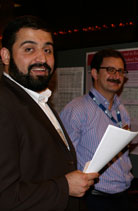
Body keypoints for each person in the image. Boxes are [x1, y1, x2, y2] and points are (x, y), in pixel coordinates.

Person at [0, 15, 99, 211]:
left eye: (48, 50)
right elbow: (5, 196)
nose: (42, 58)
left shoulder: (38, 99)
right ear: (5, 55)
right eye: (29, 49)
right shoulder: (4, 104)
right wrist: (65, 186)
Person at [60, 48, 133, 211]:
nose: (116, 76)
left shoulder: (122, 110)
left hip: (122, 194)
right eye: (110, 70)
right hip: (93, 198)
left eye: (121, 71)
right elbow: (63, 157)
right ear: (94, 73)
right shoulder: (77, 109)